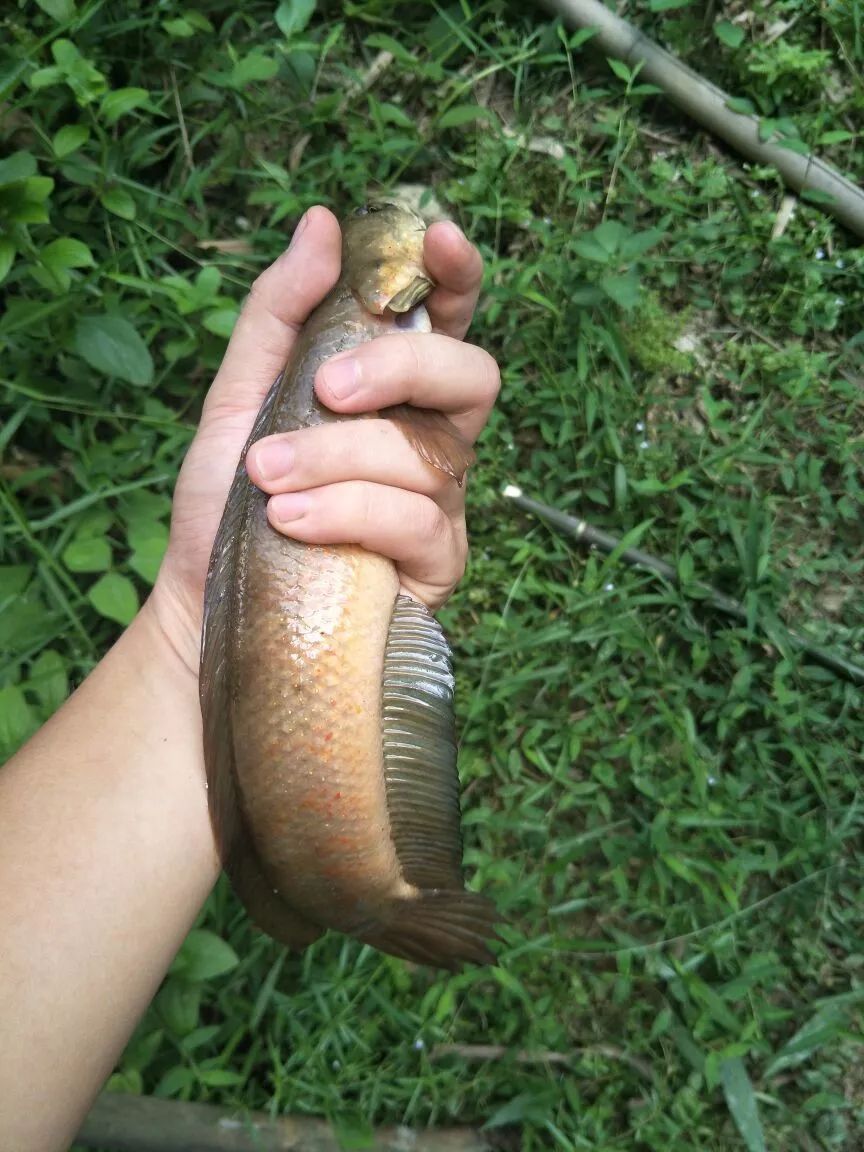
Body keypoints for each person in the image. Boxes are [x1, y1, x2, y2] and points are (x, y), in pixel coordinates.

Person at [0, 206, 500, 1151]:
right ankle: (356, 888)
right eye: (404, 217)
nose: (417, 216)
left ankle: (358, 885)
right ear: (389, 279)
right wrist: (193, 629)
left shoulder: (368, 328)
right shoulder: (363, 323)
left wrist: (188, 639)